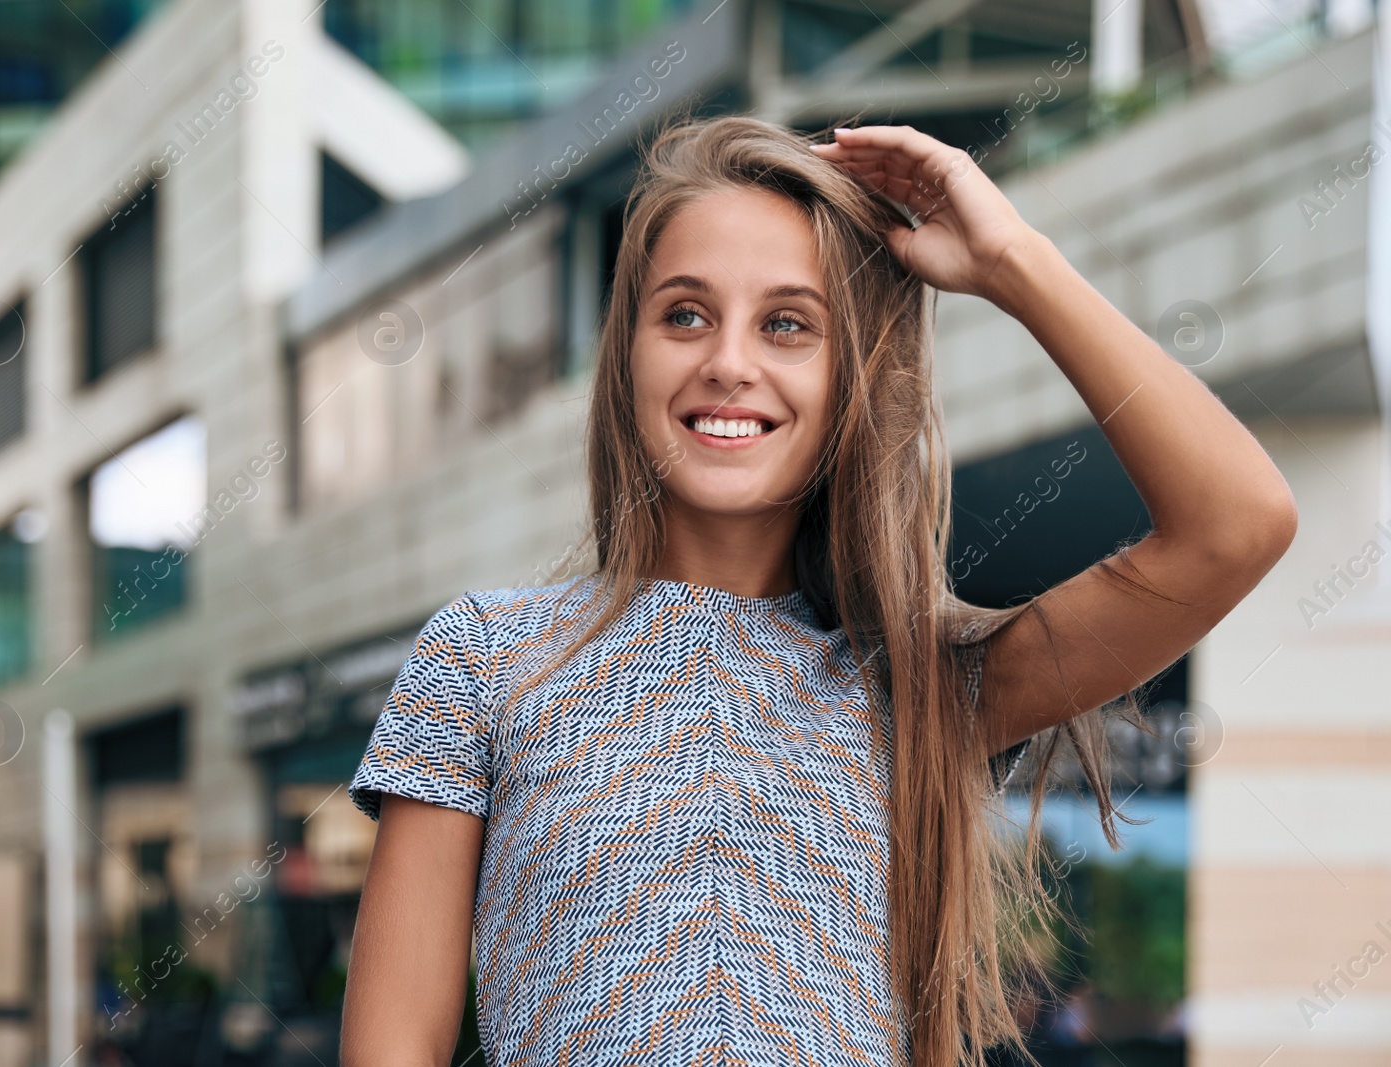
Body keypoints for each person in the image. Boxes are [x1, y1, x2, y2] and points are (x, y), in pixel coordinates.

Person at [338, 116, 1295, 1067]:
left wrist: (1014, 261)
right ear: (625, 356)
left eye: (788, 324)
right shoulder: (481, 658)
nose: (729, 361)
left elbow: (1237, 525)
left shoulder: (924, 685)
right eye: (684, 313)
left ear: (854, 376)